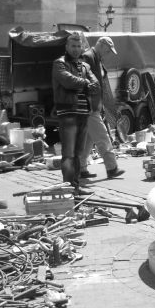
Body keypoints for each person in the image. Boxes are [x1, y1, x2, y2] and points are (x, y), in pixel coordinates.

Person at [52, 32, 100, 193]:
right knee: (69, 154)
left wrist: (89, 84)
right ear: (67, 47)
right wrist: (86, 83)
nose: (76, 49)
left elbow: (96, 83)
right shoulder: (59, 63)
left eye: (79, 46)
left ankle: (75, 186)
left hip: (83, 113)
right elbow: (67, 80)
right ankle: (68, 187)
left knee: (78, 154)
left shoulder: (85, 66)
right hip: (68, 113)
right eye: (73, 46)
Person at [78, 37, 124, 180]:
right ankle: (112, 167)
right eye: (108, 50)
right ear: (102, 45)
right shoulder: (88, 57)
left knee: (89, 139)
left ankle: (81, 168)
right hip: (90, 105)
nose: (109, 54)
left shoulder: (95, 58)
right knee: (102, 136)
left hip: (93, 104)